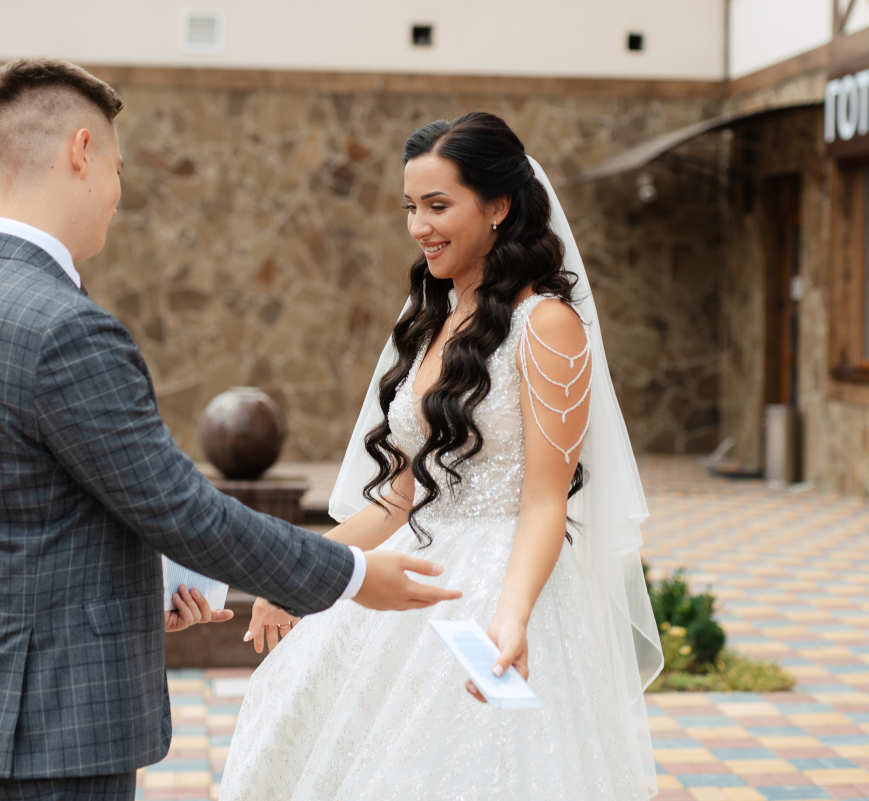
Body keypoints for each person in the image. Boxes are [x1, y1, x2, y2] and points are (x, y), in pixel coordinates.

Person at [0, 57, 461, 801]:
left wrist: (142, 589)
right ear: (80, 151)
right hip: (58, 723)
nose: (116, 194)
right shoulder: (66, 329)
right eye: (117, 167)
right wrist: (355, 576)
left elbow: (20, 512)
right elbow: (182, 509)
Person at [220, 112, 664, 800]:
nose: (419, 225)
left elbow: (546, 498)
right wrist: (302, 576)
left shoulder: (545, 324)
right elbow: (398, 498)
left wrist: (511, 616)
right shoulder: (428, 321)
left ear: (497, 207)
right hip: (410, 574)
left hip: (497, 589)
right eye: (410, 207)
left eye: (437, 205)